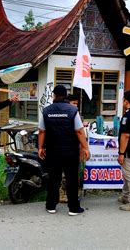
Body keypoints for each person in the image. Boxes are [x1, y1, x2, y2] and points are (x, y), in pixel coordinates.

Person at [38, 85, 90, 216]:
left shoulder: (46, 111)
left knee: (53, 179)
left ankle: (50, 206)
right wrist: (85, 147)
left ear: (54, 95)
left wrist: (40, 148)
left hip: (53, 151)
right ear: (66, 95)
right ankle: (73, 208)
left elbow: (41, 131)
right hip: (70, 152)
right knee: (72, 179)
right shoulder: (73, 110)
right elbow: (79, 130)